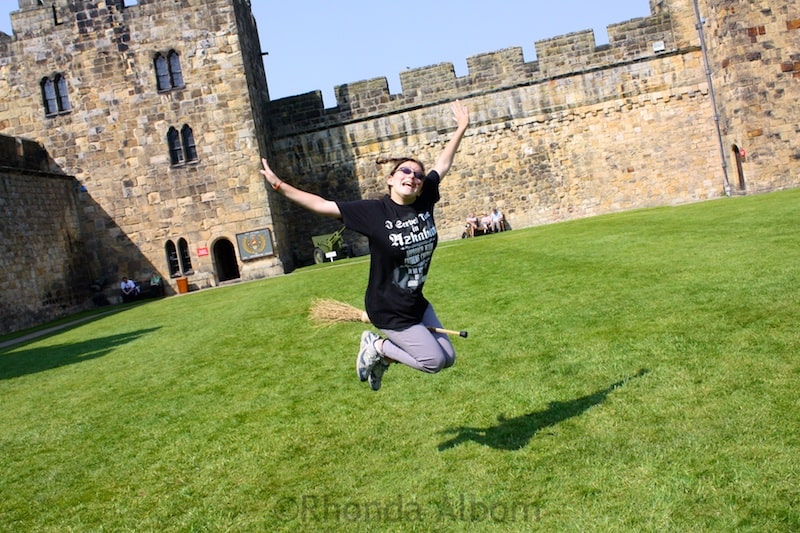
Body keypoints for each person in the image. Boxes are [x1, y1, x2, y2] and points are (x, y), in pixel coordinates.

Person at [260, 100, 470, 391]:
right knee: (433, 361)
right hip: (388, 308)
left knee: (448, 357)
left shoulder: (425, 201)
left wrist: (461, 128)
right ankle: (377, 348)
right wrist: (278, 186)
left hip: (415, 301)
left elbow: (443, 164)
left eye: (418, 175)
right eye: (405, 172)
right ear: (390, 179)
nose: (413, 177)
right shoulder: (373, 213)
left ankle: (382, 354)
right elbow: (321, 205)